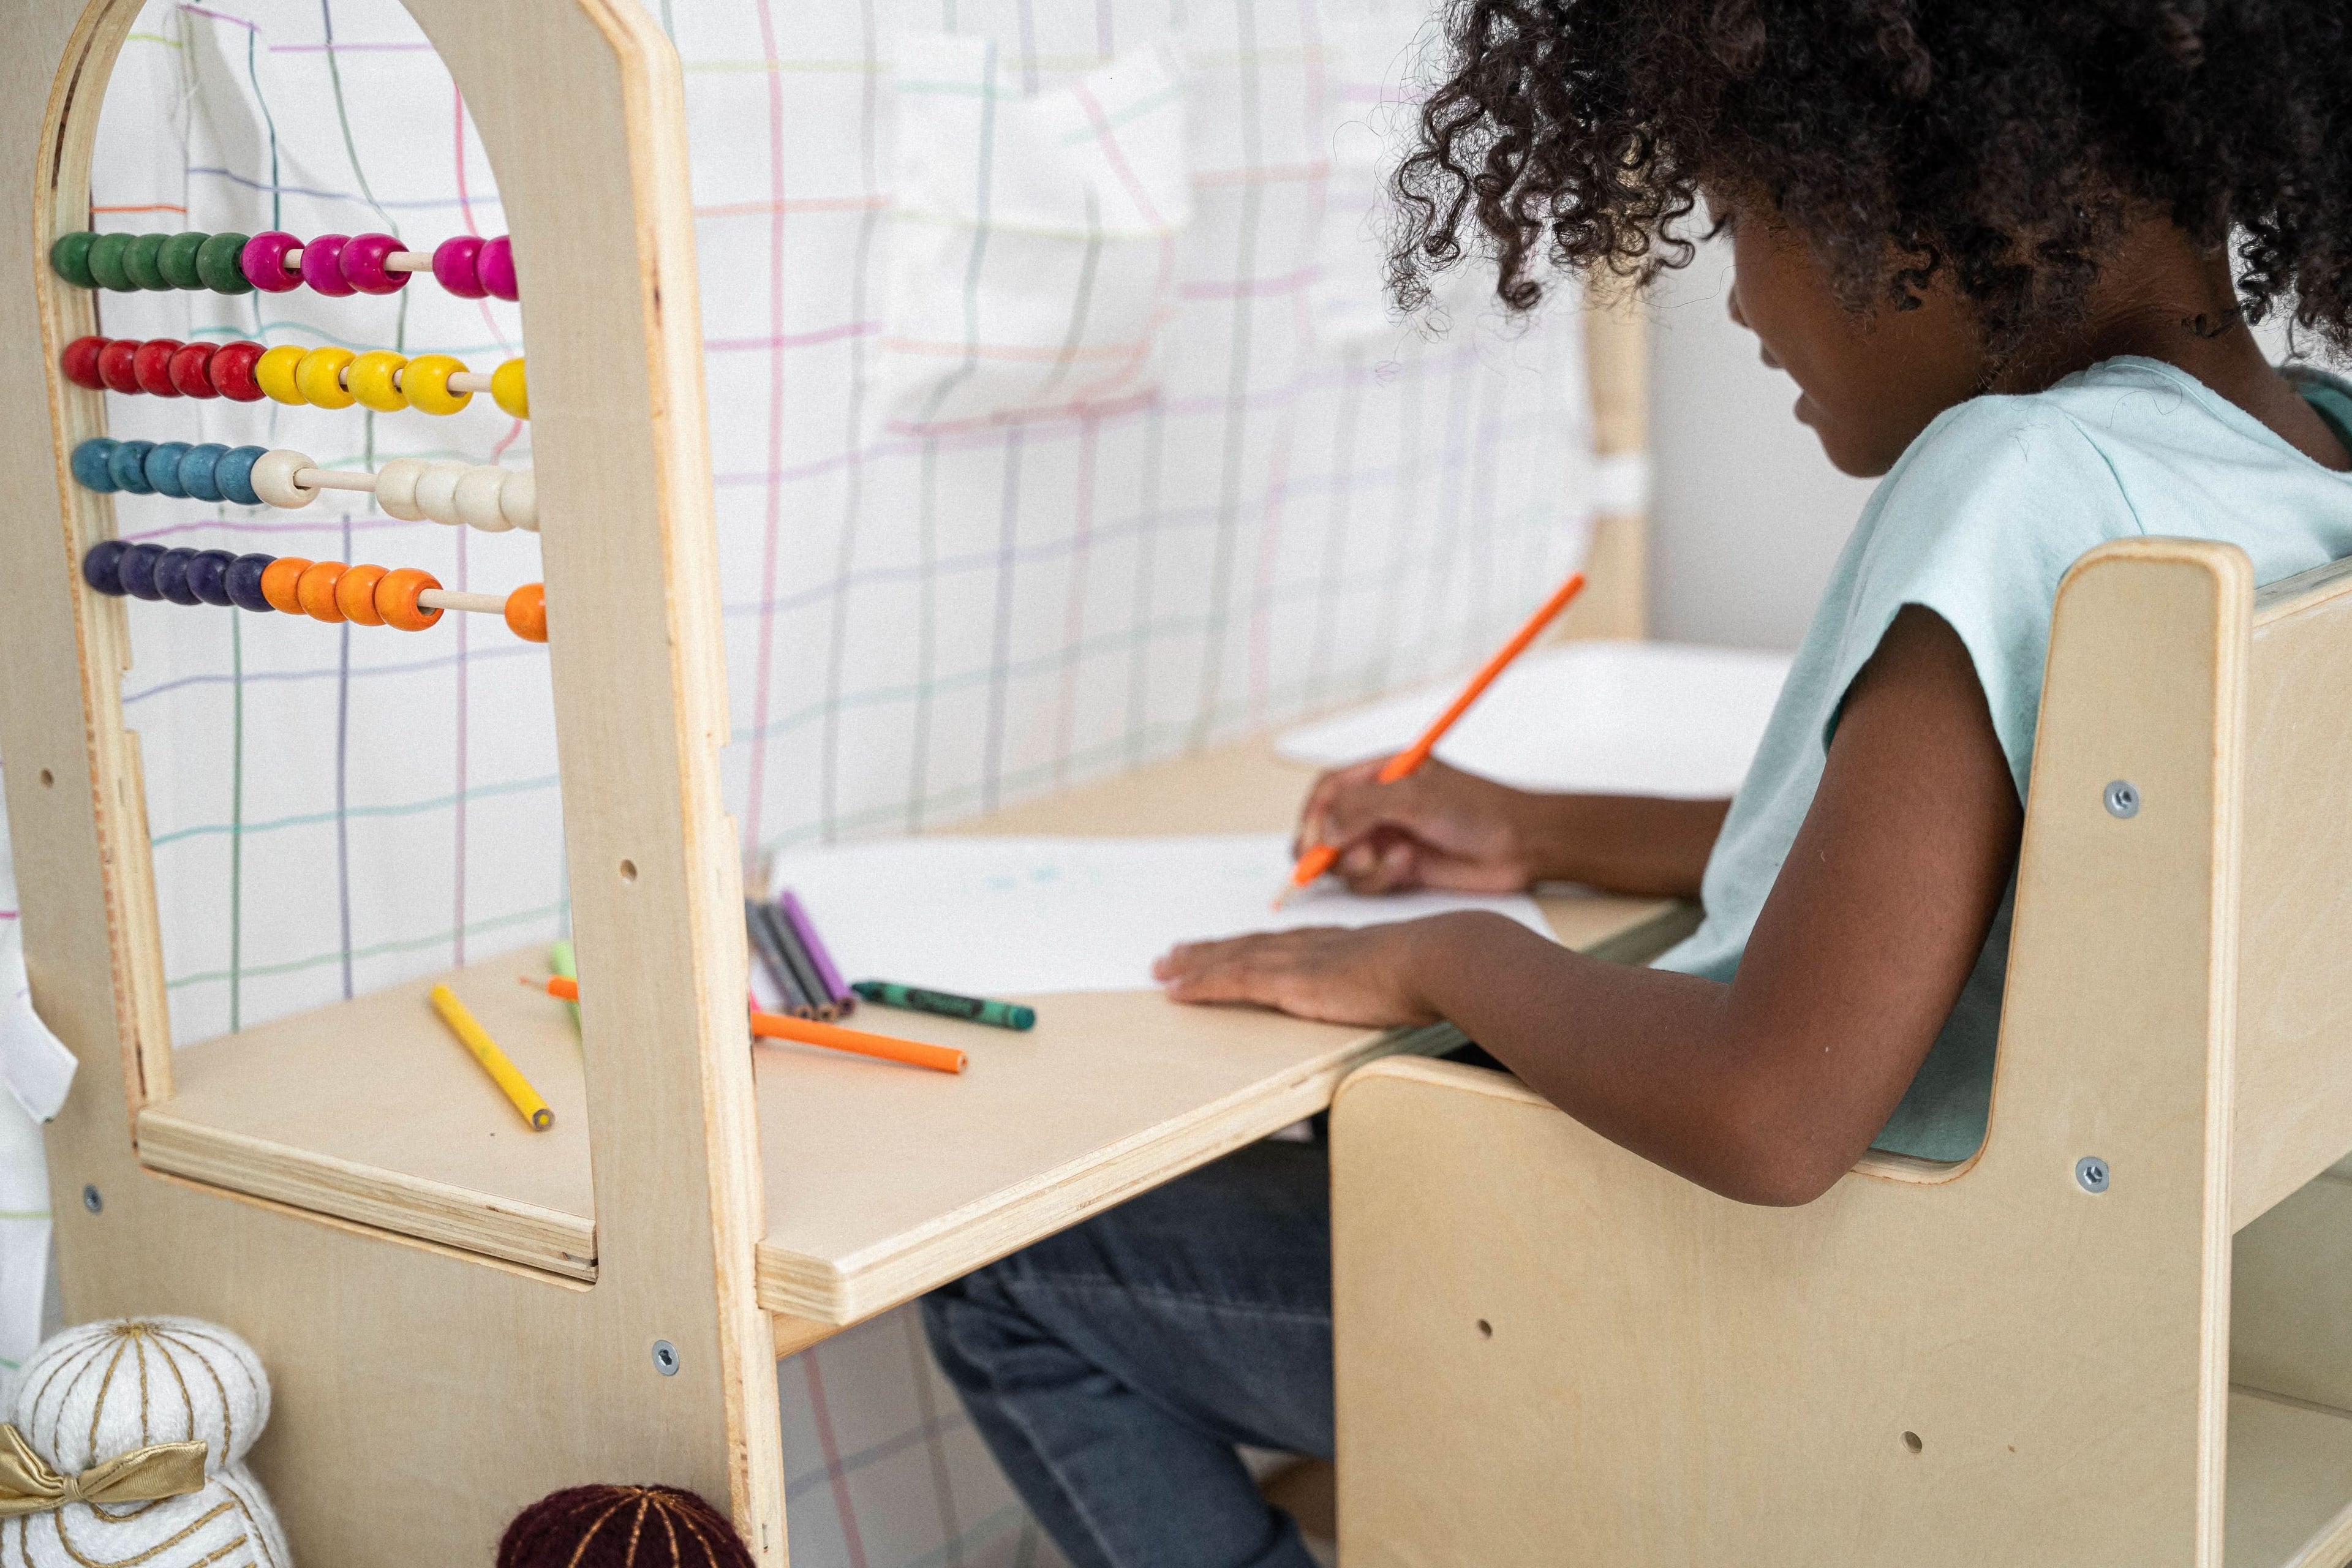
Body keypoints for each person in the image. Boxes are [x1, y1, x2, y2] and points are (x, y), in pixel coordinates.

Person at [922, 1, 2352, 1562]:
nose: (1736, 305)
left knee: (1017, 1274)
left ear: (1939, 199)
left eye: (1742, 219)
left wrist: (1441, 951)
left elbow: (1773, 1108)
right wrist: (1534, 828)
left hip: (1816, 1316)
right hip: (2089, 1312)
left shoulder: (2024, 480)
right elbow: (2025, 867)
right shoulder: (2298, 464)